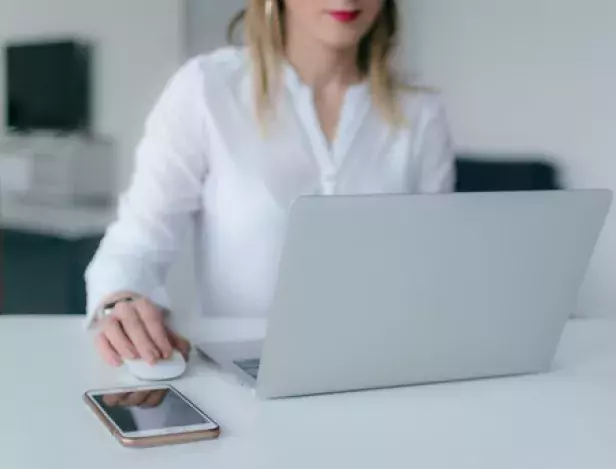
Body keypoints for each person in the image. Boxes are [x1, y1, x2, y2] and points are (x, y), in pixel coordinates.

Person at [85, 0, 455, 367]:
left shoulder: (421, 113)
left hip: (383, 371)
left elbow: (436, 271)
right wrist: (120, 301)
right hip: (244, 379)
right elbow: (136, 244)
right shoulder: (207, 89)